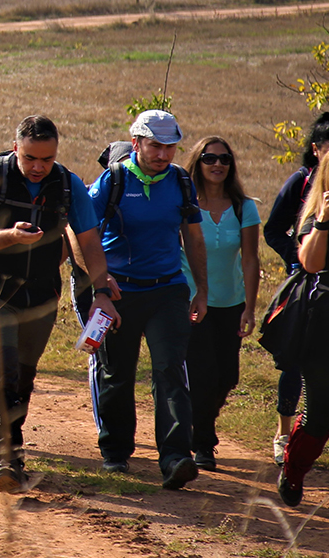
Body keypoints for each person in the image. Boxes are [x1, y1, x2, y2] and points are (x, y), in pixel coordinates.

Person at [0, 115, 119, 493]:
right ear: (16, 148)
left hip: (42, 293)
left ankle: (9, 445)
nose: (38, 166)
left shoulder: (66, 184)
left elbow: (89, 239)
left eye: (46, 159)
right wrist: (10, 236)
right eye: (30, 157)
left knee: (24, 377)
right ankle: (5, 458)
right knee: (2, 371)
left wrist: (100, 289)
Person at [88, 109, 207, 490]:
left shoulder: (182, 182)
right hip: (120, 291)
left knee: (170, 369)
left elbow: (193, 236)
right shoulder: (114, 180)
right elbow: (82, 232)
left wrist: (201, 289)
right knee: (118, 373)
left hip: (167, 289)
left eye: (170, 147)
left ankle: (176, 457)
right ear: (136, 142)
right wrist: (99, 280)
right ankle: (116, 453)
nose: (163, 154)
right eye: (156, 146)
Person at [180, 136, 260, 472]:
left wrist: (250, 308)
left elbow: (251, 260)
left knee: (228, 376)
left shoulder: (244, 206)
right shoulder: (184, 203)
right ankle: (203, 444)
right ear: (197, 163)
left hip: (231, 303)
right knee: (202, 374)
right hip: (191, 301)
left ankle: (196, 426)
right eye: (209, 158)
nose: (217, 165)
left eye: (224, 159)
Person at [264, 111, 329, 462]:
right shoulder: (302, 182)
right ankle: (284, 431)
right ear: (315, 149)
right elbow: (274, 229)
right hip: (306, 287)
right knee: (294, 363)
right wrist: (296, 258)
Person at [277, 147, 329, 506]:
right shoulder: (315, 218)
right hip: (324, 329)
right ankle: (294, 468)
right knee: (320, 414)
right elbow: (311, 264)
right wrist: (324, 220)